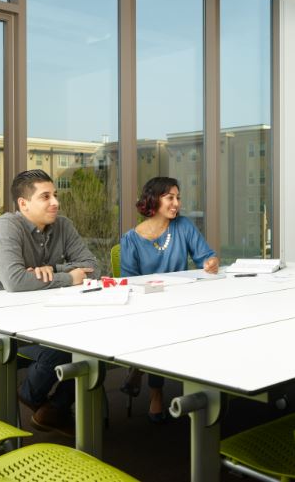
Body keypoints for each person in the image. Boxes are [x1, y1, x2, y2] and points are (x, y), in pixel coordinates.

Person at [0, 169, 97, 436]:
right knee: (72, 347)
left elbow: (93, 267)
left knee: (93, 341)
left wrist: (51, 269)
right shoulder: (6, 226)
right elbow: (16, 282)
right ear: (24, 204)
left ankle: (49, 407)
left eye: (54, 195)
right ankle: (34, 396)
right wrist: (68, 277)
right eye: (45, 196)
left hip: (44, 317)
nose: (55, 202)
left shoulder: (63, 225)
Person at [119, 176, 219, 421]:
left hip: (183, 301)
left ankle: (138, 368)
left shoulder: (183, 226)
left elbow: (205, 257)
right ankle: (156, 394)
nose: (176, 203)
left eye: (178, 197)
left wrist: (211, 262)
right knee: (158, 329)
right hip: (148, 306)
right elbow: (129, 281)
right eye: (170, 197)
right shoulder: (130, 239)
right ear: (154, 200)